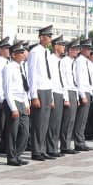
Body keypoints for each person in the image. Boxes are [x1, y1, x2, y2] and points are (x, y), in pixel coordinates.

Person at [27, 25, 55, 160]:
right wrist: (34, 96)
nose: (50, 39)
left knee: (45, 122)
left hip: (47, 89)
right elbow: (31, 75)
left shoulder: (47, 52)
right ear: (41, 37)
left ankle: (42, 149)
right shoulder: (35, 52)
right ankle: (36, 150)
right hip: (39, 90)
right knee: (38, 122)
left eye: (50, 36)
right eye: (48, 36)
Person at [2, 41, 31, 166]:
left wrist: (26, 104)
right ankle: (11, 157)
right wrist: (13, 108)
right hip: (12, 102)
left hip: (21, 101)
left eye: (22, 52)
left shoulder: (21, 67)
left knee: (25, 131)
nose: (22, 54)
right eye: (19, 52)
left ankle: (18, 154)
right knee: (12, 132)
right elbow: (7, 90)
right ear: (13, 55)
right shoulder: (8, 68)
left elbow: (24, 87)